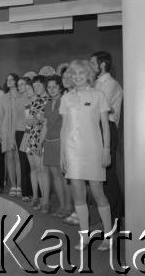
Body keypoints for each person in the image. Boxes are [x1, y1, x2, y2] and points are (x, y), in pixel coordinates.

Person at [60, 60, 112, 251]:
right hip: (72, 151)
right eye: (74, 74)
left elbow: (105, 125)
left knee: (98, 192)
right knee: (78, 195)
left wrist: (106, 150)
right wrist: (62, 155)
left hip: (94, 150)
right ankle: (85, 236)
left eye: (81, 73)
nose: (77, 77)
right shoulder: (66, 98)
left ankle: (108, 236)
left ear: (88, 74)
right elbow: (64, 128)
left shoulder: (98, 95)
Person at [90, 51, 124, 223]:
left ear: (102, 65)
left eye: (92, 63)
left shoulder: (110, 84)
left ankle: (115, 220)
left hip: (107, 128)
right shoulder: (95, 83)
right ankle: (106, 219)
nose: (90, 67)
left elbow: (99, 106)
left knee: (108, 177)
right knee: (99, 177)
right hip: (96, 128)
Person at [42, 75, 73, 218]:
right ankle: (61, 206)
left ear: (60, 87)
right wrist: (41, 142)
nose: (52, 89)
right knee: (55, 177)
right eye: (49, 87)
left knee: (64, 176)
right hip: (49, 142)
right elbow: (45, 125)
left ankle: (69, 206)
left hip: (61, 141)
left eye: (54, 86)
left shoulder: (65, 100)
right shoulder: (48, 104)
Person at [26, 75, 49, 212]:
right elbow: (30, 121)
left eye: (39, 86)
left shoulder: (48, 100)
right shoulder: (36, 101)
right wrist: (34, 120)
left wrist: (35, 120)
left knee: (42, 169)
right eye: (34, 87)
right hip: (31, 136)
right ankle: (36, 196)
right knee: (33, 168)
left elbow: (43, 121)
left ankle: (45, 200)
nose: (36, 88)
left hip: (42, 137)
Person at [12, 78, 33, 201]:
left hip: (30, 132)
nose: (19, 86)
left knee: (32, 164)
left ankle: (34, 192)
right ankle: (25, 192)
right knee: (23, 162)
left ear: (27, 86)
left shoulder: (31, 98)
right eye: (18, 84)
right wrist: (14, 136)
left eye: (22, 84)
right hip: (19, 133)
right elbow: (15, 118)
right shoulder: (17, 99)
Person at [1, 74, 20, 196]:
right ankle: (13, 185)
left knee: (19, 159)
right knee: (10, 158)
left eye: (11, 79)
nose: (9, 81)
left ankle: (20, 186)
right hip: (6, 130)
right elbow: (0, 116)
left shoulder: (21, 95)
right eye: (7, 79)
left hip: (18, 129)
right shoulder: (4, 97)